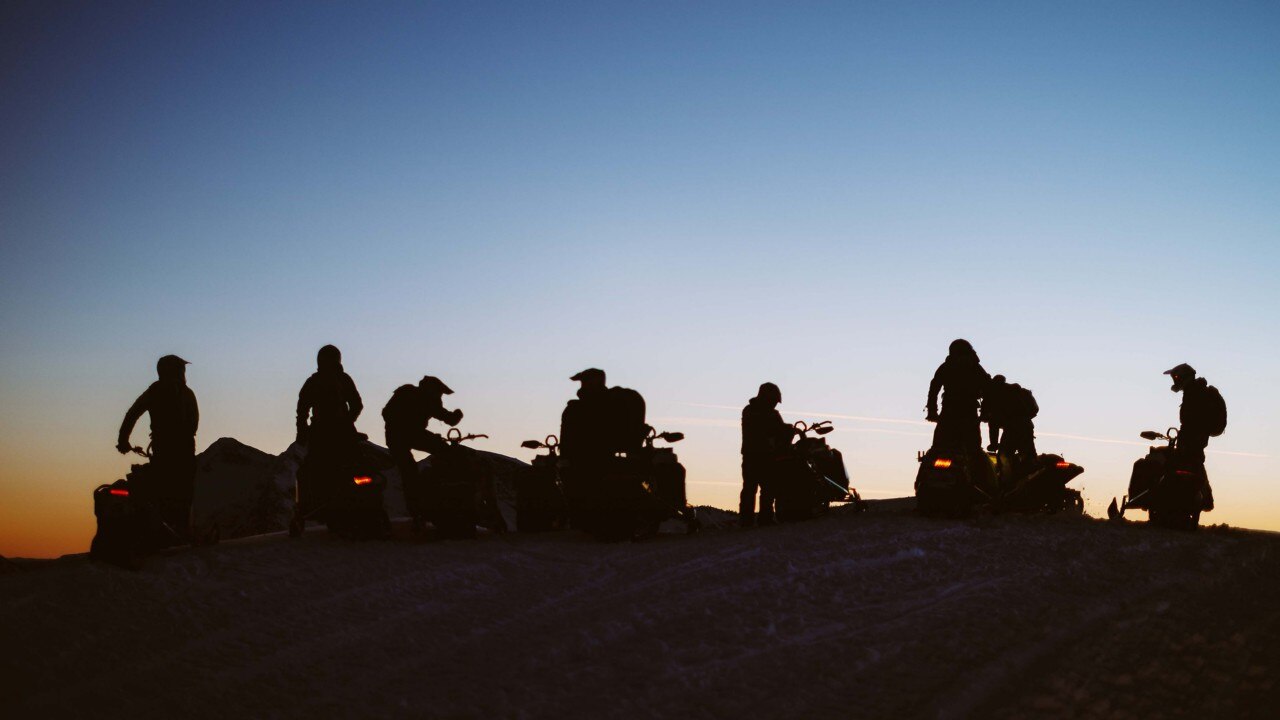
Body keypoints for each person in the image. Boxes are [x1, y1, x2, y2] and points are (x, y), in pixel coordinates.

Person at [117, 354, 199, 542]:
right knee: (183, 489)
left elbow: (132, 414)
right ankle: (181, 529)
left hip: (163, 448)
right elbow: (194, 422)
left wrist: (123, 441)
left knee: (162, 487)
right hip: (184, 448)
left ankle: (162, 529)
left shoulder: (154, 391)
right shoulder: (187, 393)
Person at [294, 345, 363, 524]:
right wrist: (347, 422)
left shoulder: (314, 381)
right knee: (316, 469)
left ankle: (309, 508)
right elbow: (357, 405)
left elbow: (302, 410)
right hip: (339, 433)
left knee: (311, 469)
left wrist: (302, 431)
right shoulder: (342, 379)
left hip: (325, 433)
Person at [382, 376, 464, 523]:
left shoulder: (407, 392)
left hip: (398, 435)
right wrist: (457, 414)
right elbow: (449, 419)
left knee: (409, 471)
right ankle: (424, 504)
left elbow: (386, 413)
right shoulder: (426, 399)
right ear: (432, 390)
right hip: (405, 435)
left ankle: (419, 507)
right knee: (412, 469)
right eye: (439, 393)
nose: (440, 396)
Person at [1165, 363, 1226, 510]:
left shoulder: (1194, 394)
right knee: (1195, 464)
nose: (1174, 380)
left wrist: (1185, 438)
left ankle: (1200, 499)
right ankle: (1205, 499)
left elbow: (1190, 421)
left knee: (1182, 464)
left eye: (1176, 377)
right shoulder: (1196, 392)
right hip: (1197, 439)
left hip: (1192, 440)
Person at [740, 382, 796, 528]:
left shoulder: (752, 410)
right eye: (774, 400)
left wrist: (787, 430)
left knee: (760, 488)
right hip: (761, 456)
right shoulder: (758, 412)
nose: (775, 404)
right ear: (767, 398)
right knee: (762, 488)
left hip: (756, 456)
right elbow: (772, 430)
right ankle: (758, 519)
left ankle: (753, 520)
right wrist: (787, 431)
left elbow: (777, 429)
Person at [925, 339, 991, 454]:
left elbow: (934, 389)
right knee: (973, 450)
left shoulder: (946, 366)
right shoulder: (975, 367)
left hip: (949, 411)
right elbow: (988, 390)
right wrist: (985, 413)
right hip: (968, 412)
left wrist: (932, 411)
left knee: (938, 448)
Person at [982, 375, 1038, 464]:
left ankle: (1011, 471)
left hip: (1011, 429)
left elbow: (993, 424)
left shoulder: (993, 396)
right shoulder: (1018, 392)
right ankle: (1032, 467)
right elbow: (1034, 410)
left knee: (1003, 456)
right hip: (1027, 425)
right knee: (1029, 455)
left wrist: (993, 444)